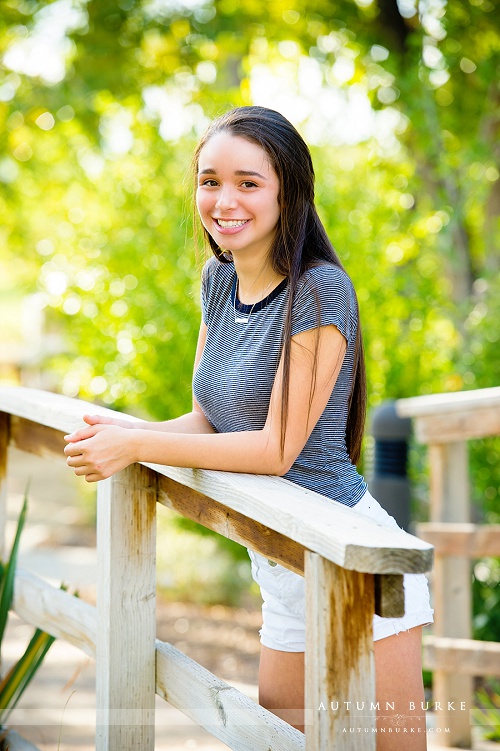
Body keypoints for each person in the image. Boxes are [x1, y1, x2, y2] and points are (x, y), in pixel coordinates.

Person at [64, 106, 433, 748]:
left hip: (353, 560)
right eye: (209, 181)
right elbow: (210, 418)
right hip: (282, 557)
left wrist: (135, 443)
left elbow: (276, 449)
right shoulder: (219, 282)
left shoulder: (319, 291)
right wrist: (123, 431)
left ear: (289, 192)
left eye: (248, 182)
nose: (223, 199)